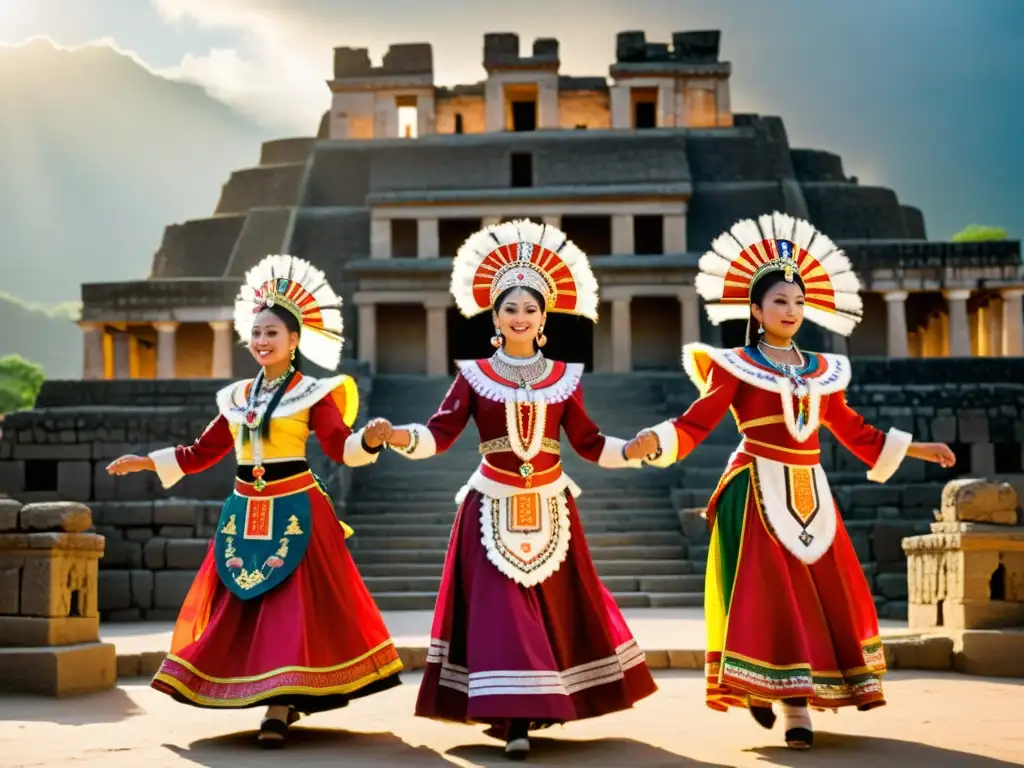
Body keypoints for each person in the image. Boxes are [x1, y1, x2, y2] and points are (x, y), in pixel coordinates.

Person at [630, 213, 956, 750]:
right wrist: (656, 440)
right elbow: (697, 422)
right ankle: (792, 708)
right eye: (780, 301)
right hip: (755, 489)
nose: (791, 311)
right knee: (771, 598)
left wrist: (915, 446)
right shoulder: (734, 366)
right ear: (755, 310)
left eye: (799, 302)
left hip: (810, 491)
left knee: (818, 597)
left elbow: (852, 428)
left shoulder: (822, 371)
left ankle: (785, 690)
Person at [365, 220, 657, 760]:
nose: (520, 317)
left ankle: (534, 706)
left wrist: (631, 450)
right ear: (494, 319)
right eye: (509, 309)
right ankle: (515, 716)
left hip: (551, 505)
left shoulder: (566, 376)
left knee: (551, 608)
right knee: (502, 611)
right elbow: (440, 432)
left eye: (530, 309)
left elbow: (588, 442)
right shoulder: (473, 374)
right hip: (489, 506)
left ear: (544, 319)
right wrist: (397, 436)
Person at [106, 254, 402, 747]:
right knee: (244, 602)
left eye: (272, 334)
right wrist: (147, 461)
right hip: (245, 511)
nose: (262, 341)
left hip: (297, 509)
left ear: (294, 341)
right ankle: (253, 689)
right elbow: (204, 452)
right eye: (257, 333)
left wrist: (370, 439)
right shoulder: (236, 398)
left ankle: (279, 706)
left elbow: (339, 448)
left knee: (289, 606)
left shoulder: (314, 393)